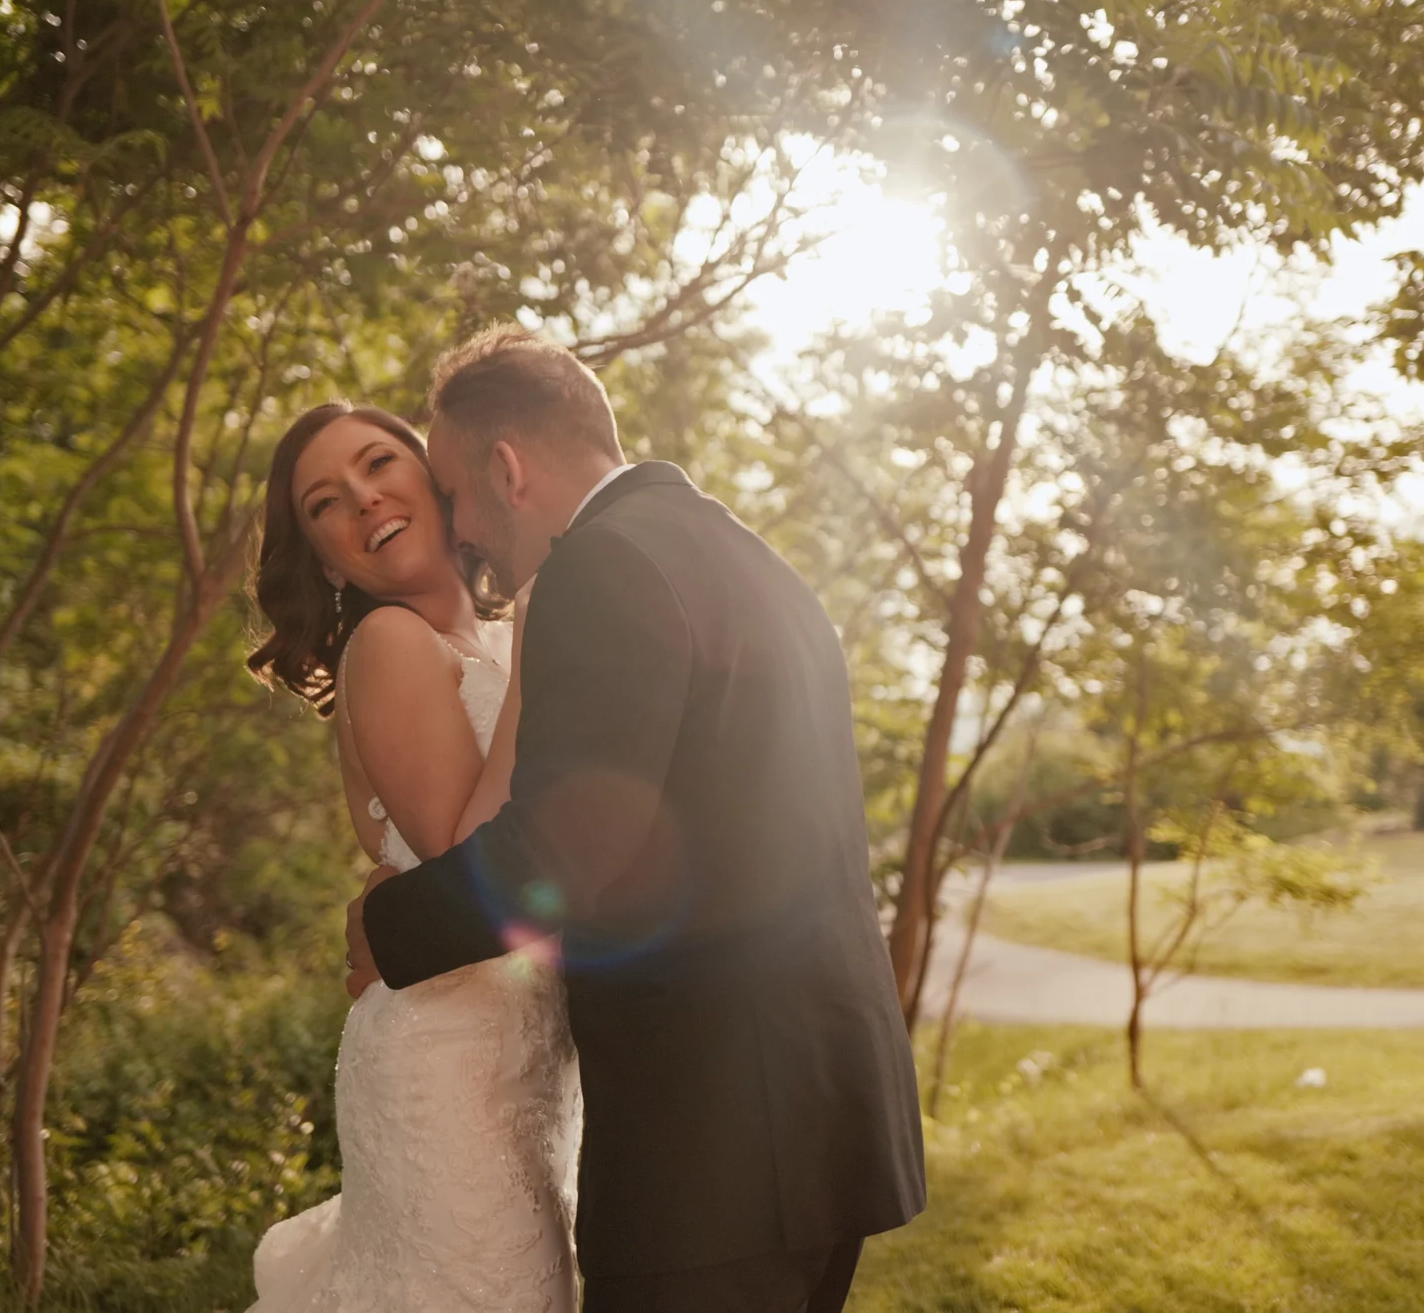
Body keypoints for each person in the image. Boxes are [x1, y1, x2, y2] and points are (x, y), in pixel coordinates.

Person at [346, 327, 926, 1313]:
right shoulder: (752, 561)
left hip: (713, 1155)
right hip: (831, 1123)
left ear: (507, 466)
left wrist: (386, 924)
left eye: (452, 492)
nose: (459, 527)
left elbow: (562, 853)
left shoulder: (600, 566)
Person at [245, 402, 580, 1312]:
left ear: (435, 482)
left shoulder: (506, 642)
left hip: (526, 1058)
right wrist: (544, 643)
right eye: (325, 502)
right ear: (323, 556)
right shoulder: (389, 642)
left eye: (379, 463)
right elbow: (465, 857)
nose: (363, 499)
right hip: (446, 1062)